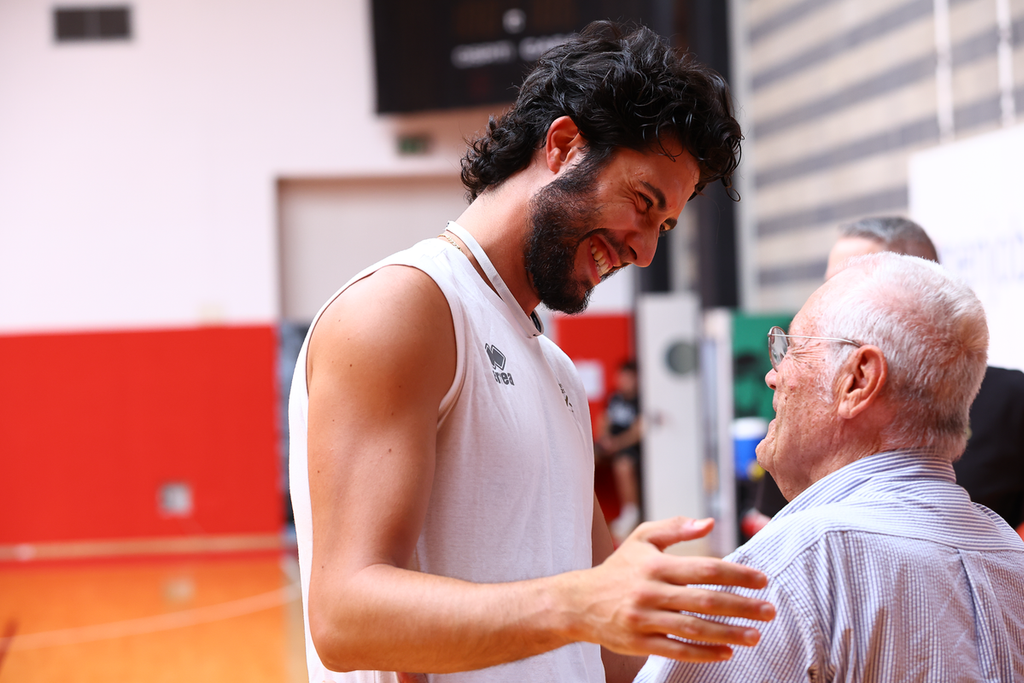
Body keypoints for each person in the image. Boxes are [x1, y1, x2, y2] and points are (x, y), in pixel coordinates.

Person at [288, 21, 775, 683]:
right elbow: (346, 618)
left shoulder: (557, 371)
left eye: (664, 226)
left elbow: (610, 649)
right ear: (564, 146)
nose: (645, 251)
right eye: (643, 202)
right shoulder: (405, 306)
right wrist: (579, 604)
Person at [637, 252, 1024, 682]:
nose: (773, 375)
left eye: (792, 349)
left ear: (858, 381)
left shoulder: (798, 563)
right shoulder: (1009, 556)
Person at [753, 216, 1024, 538]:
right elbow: (773, 533)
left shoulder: (1010, 399)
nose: (829, 296)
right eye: (828, 284)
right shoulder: (805, 420)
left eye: (853, 280)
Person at [596, 360, 644, 542]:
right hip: (610, 445)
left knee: (623, 465)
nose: (623, 381)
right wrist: (604, 438)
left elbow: (637, 431)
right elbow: (603, 420)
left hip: (628, 447)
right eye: (621, 377)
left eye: (628, 378)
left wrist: (616, 444)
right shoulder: (614, 397)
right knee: (585, 459)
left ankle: (631, 513)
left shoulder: (641, 400)